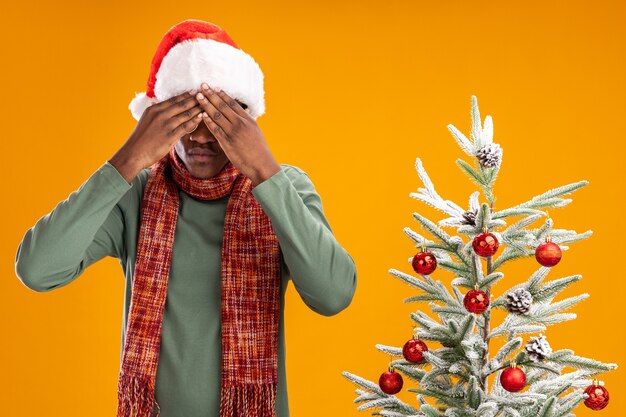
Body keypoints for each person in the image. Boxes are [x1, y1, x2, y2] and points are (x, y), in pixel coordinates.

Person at [14, 19, 357, 417]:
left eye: (216, 118)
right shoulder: (137, 192)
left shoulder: (283, 187)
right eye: (185, 117)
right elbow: (38, 269)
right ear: (158, 118)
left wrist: (265, 172)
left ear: (244, 120)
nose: (199, 137)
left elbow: (333, 296)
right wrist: (128, 160)